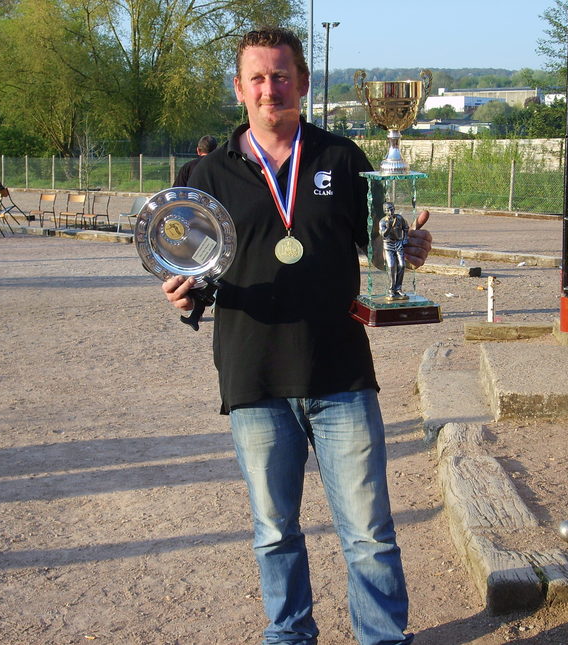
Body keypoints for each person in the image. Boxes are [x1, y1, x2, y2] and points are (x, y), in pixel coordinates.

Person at [162, 27, 432, 645]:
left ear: (304, 84)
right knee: (274, 531)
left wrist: (405, 251)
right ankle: (290, 636)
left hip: (339, 372)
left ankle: (383, 638)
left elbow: (379, 243)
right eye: (257, 77)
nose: (269, 88)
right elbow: (194, 270)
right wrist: (184, 293)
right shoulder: (204, 175)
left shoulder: (342, 160)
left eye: (281, 76)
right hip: (253, 376)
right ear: (239, 89)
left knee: (367, 531)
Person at [380, 202, 410, 300]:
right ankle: (391, 289)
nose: (390, 211)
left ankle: (398, 288)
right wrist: (388, 227)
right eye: (388, 210)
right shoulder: (382, 222)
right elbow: (383, 235)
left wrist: (405, 238)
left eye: (392, 209)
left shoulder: (400, 218)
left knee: (402, 265)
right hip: (388, 244)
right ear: (384, 211)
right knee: (391, 266)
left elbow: (406, 228)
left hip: (398, 243)